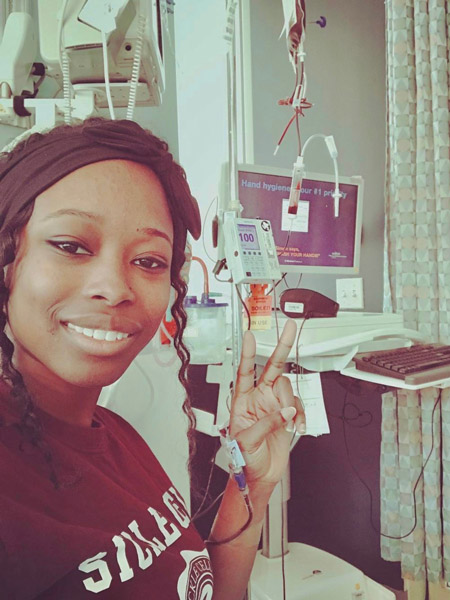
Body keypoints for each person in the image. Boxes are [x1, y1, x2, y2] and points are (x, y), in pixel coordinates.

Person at [0, 117, 305, 600]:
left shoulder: (117, 438)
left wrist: (254, 481)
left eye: (148, 261)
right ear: (7, 256)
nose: (115, 288)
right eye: (71, 246)